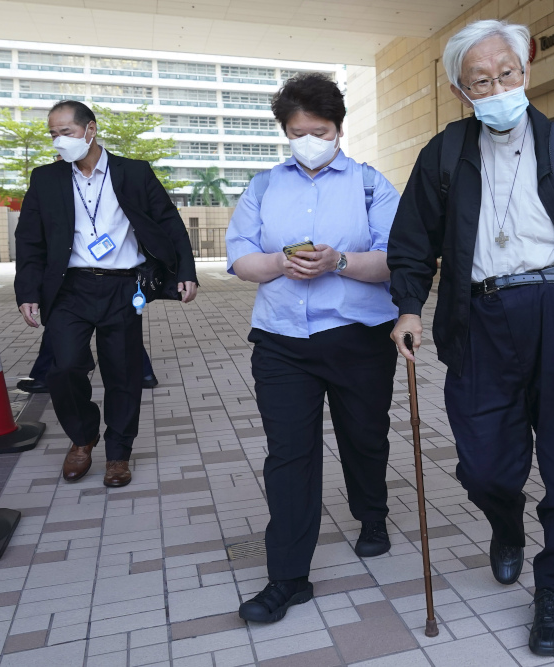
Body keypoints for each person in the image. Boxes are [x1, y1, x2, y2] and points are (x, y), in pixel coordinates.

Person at [387, 20, 554, 657]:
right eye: (482, 80)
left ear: (525, 72)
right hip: (480, 315)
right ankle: (506, 522)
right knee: (482, 463)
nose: (498, 87)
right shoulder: (444, 154)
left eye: (508, 74)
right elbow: (413, 240)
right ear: (460, 90)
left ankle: (553, 586)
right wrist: (409, 308)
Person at [226, 73, 400, 625]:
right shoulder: (263, 187)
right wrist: (280, 262)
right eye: (298, 131)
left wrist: (338, 261)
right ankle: (287, 577)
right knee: (289, 456)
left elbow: (397, 259)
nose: (309, 140)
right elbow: (239, 258)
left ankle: (371, 515)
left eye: (320, 130)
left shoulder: (372, 185)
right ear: (285, 131)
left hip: (359, 338)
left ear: (339, 129)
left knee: (364, 438)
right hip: (282, 342)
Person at [15, 100, 198, 488]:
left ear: (90, 130)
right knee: (62, 367)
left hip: (122, 286)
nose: (59, 141)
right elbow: (30, 241)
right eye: (53, 134)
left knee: (123, 373)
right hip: (69, 288)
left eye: (65, 132)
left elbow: (169, 222)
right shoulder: (46, 179)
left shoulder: (133, 172)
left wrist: (185, 271)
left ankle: (118, 453)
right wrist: (27, 291)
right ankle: (82, 438)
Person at [17, 329, 158, 393]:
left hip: (73, 282)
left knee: (58, 329)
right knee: (121, 330)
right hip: (111, 282)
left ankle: (44, 376)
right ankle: (145, 373)